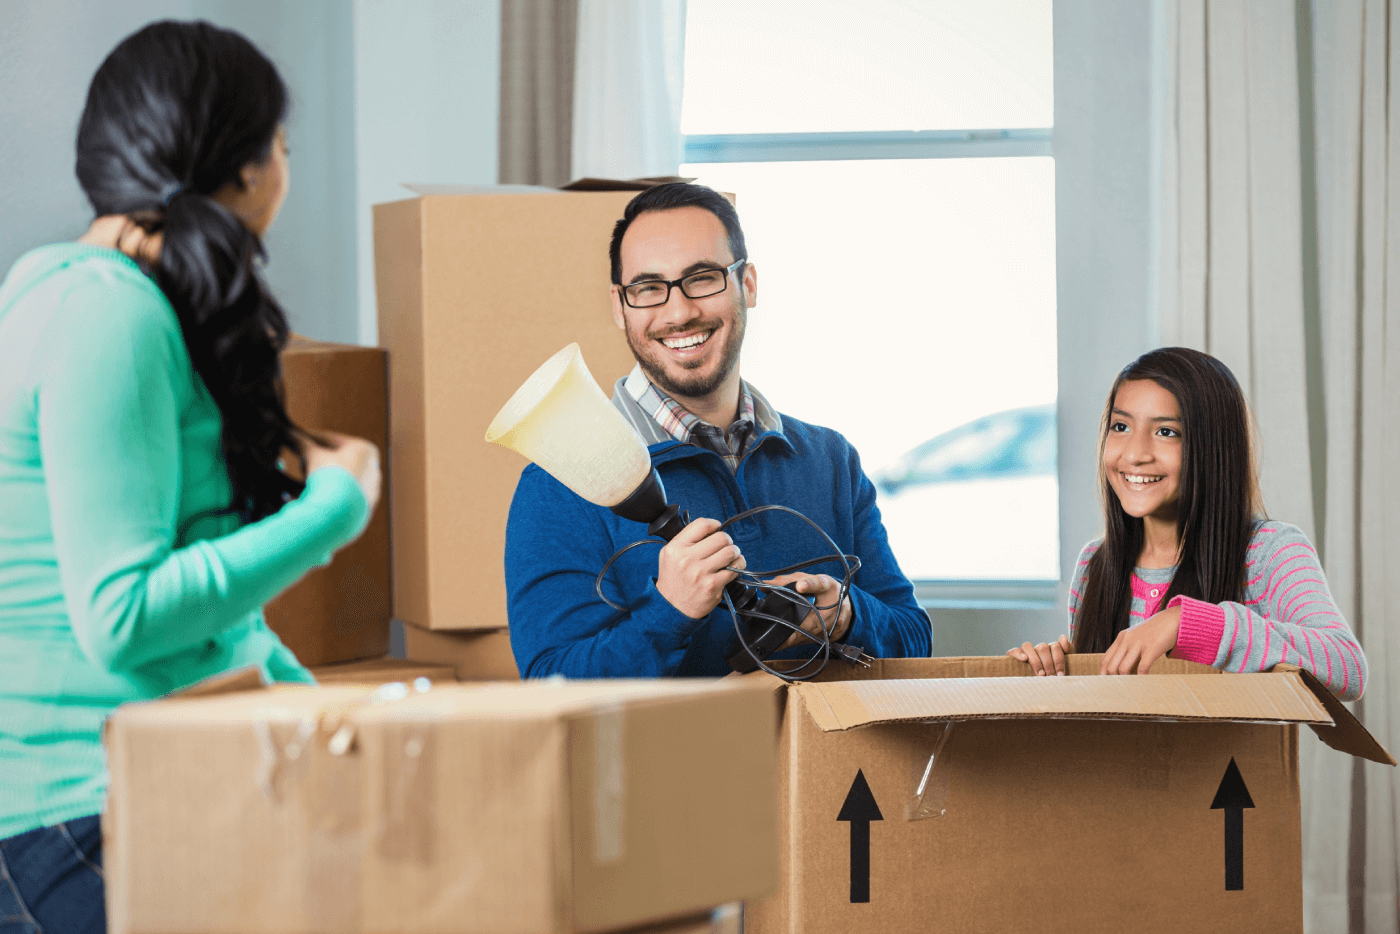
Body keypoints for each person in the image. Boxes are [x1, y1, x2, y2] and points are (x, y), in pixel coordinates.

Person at [0, 21, 380, 932]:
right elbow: (125, 617)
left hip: (140, 794)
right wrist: (337, 506)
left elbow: (206, 620)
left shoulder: (105, 301)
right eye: (283, 145)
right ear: (247, 170)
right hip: (84, 822)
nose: (288, 165)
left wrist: (316, 709)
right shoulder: (105, 317)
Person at [505, 182, 930, 677]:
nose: (680, 312)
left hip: (819, 756)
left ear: (747, 284)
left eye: (702, 278)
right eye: (648, 289)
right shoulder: (561, 483)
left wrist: (847, 615)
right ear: (620, 307)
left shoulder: (830, 461)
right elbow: (549, 688)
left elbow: (916, 641)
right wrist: (669, 612)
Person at [1008, 347, 1366, 701]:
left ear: (1212, 447)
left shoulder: (1268, 551)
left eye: (1166, 432)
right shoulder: (1093, 563)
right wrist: (1054, 670)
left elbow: (1346, 667)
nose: (1134, 454)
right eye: (1120, 426)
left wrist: (1188, 624)